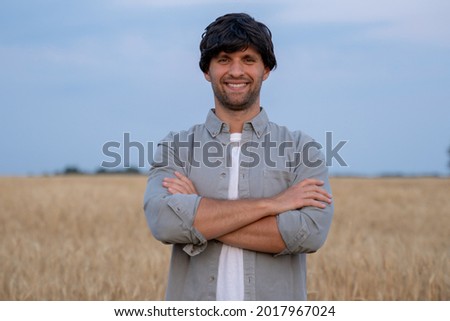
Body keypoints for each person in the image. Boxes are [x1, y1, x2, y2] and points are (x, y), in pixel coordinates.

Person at [143, 13, 333, 301]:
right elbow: (164, 223)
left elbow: (310, 233)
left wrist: (196, 216)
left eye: (248, 59)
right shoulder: (176, 148)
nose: (236, 71)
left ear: (265, 69)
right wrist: (274, 204)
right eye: (223, 59)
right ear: (206, 70)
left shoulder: (302, 149)